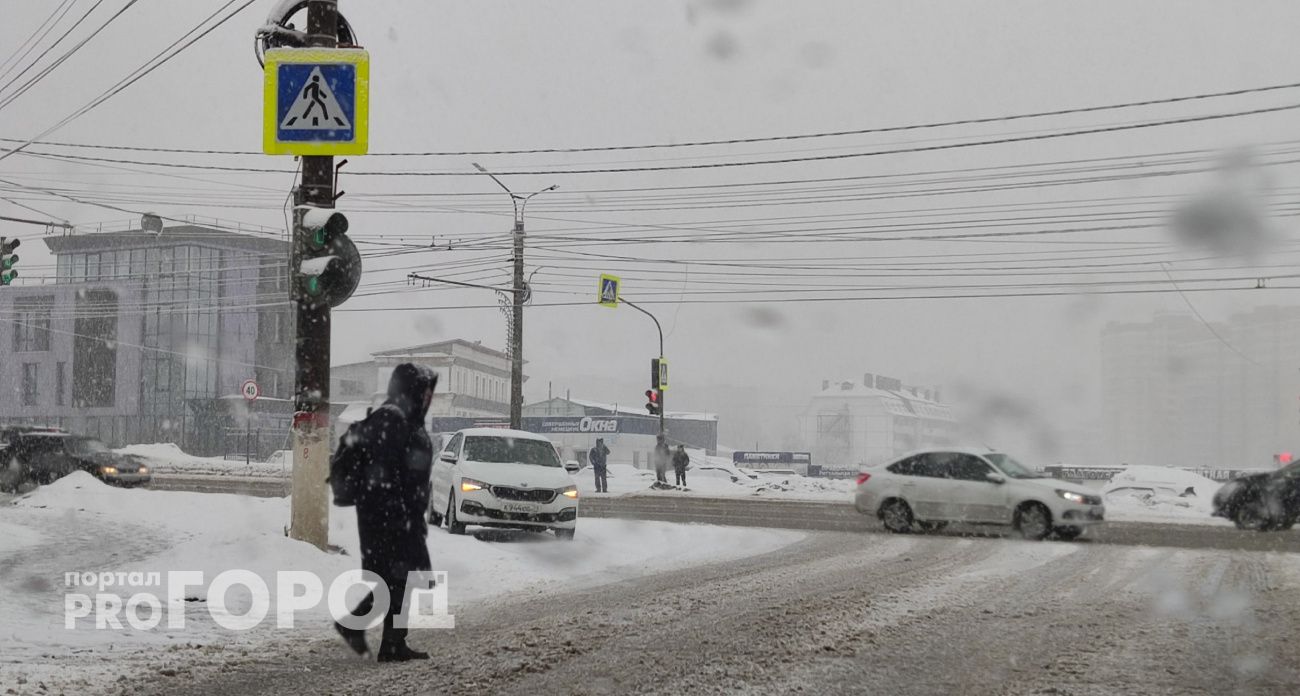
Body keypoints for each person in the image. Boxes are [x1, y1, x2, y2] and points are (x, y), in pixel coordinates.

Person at [335, 363, 437, 663]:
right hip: (389, 516)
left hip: (396, 513)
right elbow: (385, 472)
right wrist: (400, 511)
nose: (429, 397)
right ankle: (369, 632)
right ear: (410, 390)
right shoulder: (392, 420)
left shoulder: (402, 417)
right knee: (396, 578)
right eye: (424, 391)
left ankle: (390, 642)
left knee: (397, 579)